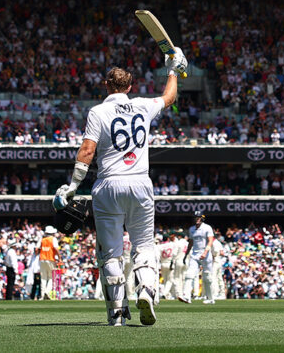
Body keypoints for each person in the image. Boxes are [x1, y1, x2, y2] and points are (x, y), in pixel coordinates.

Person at [54, 51, 187, 327]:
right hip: (140, 183)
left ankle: (117, 313)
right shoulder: (142, 105)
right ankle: (147, 291)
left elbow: (87, 150)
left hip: (108, 185)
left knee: (111, 252)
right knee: (143, 245)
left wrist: (73, 186)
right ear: (129, 87)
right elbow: (169, 98)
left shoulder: (98, 111)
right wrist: (173, 70)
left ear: (106, 85)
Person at [183, 212, 216, 304]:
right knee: (189, 274)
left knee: (207, 278)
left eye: (199, 217)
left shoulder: (207, 228)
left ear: (202, 218)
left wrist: (205, 252)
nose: (197, 219)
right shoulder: (192, 229)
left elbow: (210, 241)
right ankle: (187, 296)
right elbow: (191, 243)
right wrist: (186, 255)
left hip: (206, 255)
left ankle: (210, 298)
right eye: (195, 217)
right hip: (194, 255)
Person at [37, 226, 60, 299]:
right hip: (50, 259)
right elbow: (56, 249)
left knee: (43, 278)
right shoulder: (53, 239)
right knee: (51, 277)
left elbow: (37, 249)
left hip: (42, 259)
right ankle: (47, 291)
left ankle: (42, 295)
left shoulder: (42, 239)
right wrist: (59, 258)